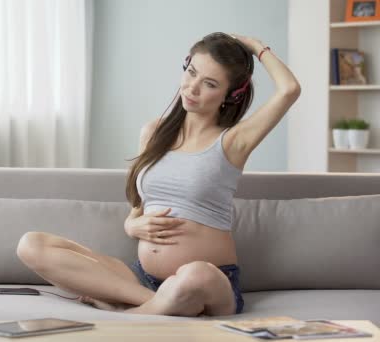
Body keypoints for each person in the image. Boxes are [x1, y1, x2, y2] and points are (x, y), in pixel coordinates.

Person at [16, 32, 300, 316]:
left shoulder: (233, 142)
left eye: (210, 84)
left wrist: (255, 47)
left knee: (195, 275)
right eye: (191, 72)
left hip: (209, 283)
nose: (192, 88)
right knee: (32, 245)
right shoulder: (153, 133)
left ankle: (128, 315)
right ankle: (154, 304)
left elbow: (289, 89)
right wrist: (131, 226)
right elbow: (137, 209)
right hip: (142, 279)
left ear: (230, 94)